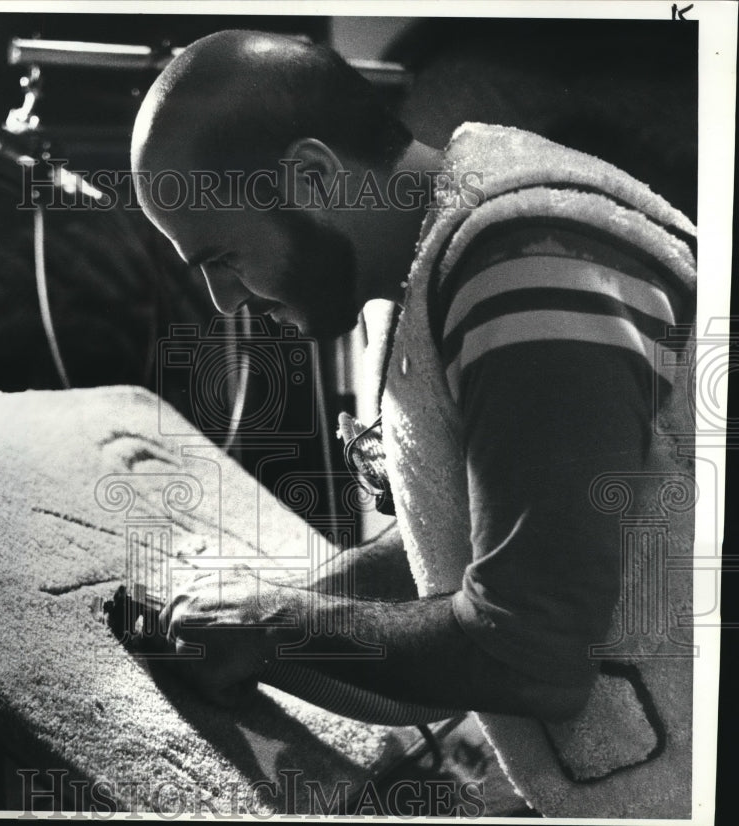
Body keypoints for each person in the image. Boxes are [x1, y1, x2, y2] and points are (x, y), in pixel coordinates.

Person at [130, 30, 696, 818]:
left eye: (222, 257)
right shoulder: (434, 261)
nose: (227, 301)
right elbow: (465, 533)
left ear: (314, 176)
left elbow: (529, 650)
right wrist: (274, 603)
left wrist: (277, 626)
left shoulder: (528, 267)